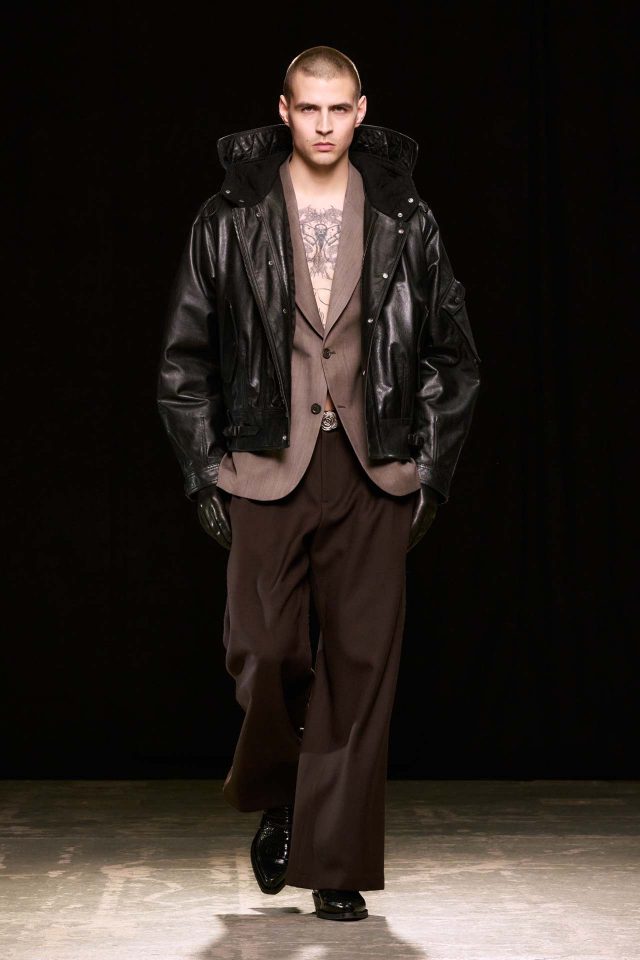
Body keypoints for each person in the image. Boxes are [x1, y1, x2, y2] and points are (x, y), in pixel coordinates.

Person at [156, 45, 481, 922]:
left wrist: (430, 471)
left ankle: (335, 862)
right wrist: (203, 472)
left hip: (375, 466)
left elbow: (453, 357)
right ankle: (282, 789)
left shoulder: (406, 218)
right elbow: (183, 360)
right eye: (310, 109)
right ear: (285, 111)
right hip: (266, 461)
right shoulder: (232, 216)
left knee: (362, 666)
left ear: (362, 111)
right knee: (264, 649)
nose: (326, 125)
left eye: (341, 109)